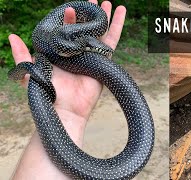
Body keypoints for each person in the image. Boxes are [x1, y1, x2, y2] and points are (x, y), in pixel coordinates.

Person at [9, 0, 126, 179]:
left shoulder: (67, 40)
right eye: (100, 50)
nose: (104, 52)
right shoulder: (62, 42)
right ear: (90, 47)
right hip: (54, 46)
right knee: (40, 68)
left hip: (59, 45)